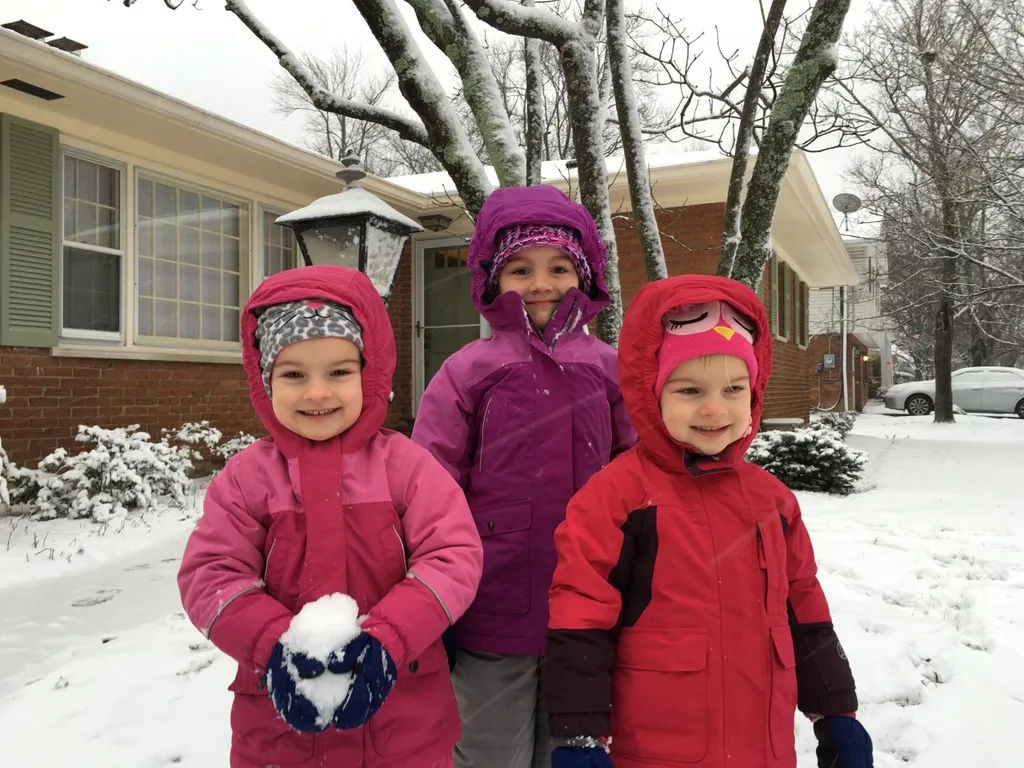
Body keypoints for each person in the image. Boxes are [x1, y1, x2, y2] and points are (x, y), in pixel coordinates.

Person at [543, 274, 874, 768]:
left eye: (734, 388)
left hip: (762, 747)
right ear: (649, 392)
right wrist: (579, 733)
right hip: (656, 747)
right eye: (690, 389)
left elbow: (803, 607)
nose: (715, 408)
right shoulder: (617, 497)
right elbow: (581, 614)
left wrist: (836, 711)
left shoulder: (773, 501)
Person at [178, 265, 483, 768]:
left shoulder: (405, 466)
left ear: (370, 373)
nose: (317, 392)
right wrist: (272, 643)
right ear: (265, 380)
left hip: (402, 723)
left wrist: (391, 636)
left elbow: (452, 556)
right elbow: (210, 573)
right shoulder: (247, 478)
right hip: (278, 731)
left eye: (339, 372)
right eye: (294, 374)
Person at [412, 185, 636, 768]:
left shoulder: (609, 368)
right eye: (520, 268)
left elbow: (640, 468)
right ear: (492, 279)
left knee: (572, 748)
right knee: (490, 751)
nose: (540, 283)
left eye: (559, 267)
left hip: (590, 607)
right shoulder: (469, 369)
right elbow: (430, 483)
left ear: (583, 278)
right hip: (492, 604)